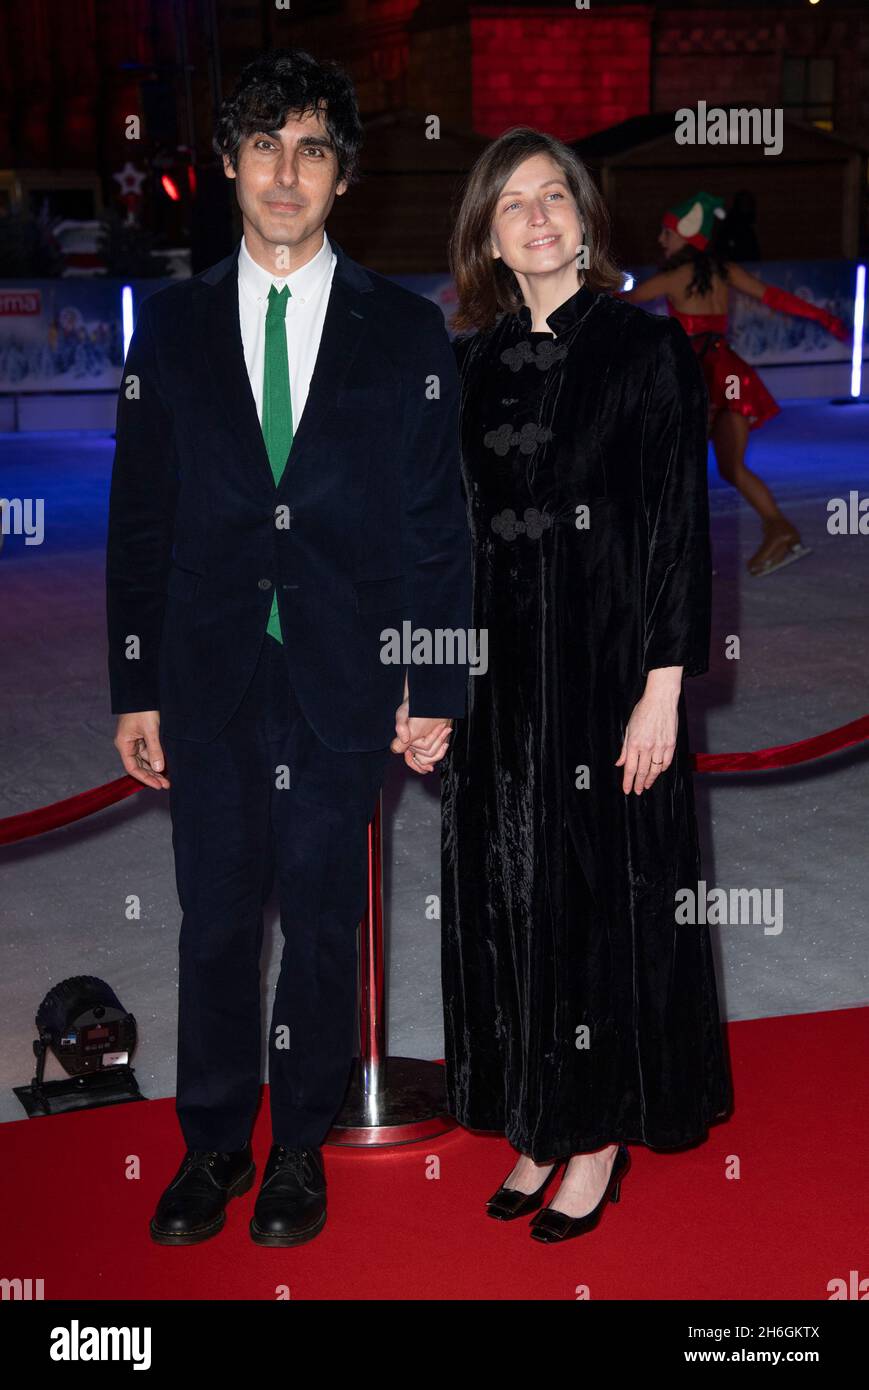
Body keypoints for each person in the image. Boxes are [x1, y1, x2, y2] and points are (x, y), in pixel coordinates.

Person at [106, 48, 471, 1248]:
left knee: (320, 923)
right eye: (264, 144)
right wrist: (133, 683)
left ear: (342, 175)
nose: (284, 172)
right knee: (212, 921)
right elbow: (139, 518)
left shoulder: (406, 332)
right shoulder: (167, 330)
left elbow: (436, 526)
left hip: (343, 675)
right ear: (226, 164)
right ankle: (212, 1140)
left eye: (311, 148)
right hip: (210, 676)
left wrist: (439, 681)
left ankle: (299, 1147)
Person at [417, 127, 734, 1244]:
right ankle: (536, 1118)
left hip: (606, 685)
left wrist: (660, 689)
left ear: (585, 219)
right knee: (507, 904)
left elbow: (673, 531)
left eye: (554, 196)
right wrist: (427, 690)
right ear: (488, 238)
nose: (538, 217)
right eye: (512, 205)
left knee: (594, 904)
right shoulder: (467, 365)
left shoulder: (646, 353)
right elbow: (441, 545)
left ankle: (594, 1136)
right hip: (498, 693)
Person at [621, 192, 848, 576]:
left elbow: (620, 301)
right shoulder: (724, 271)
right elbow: (774, 297)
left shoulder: (674, 276)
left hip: (697, 379)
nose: (661, 240)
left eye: (667, 232)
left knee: (673, 466)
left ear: (688, 235)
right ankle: (780, 528)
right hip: (730, 375)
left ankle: (677, 556)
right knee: (731, 467)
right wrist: (823, 317)